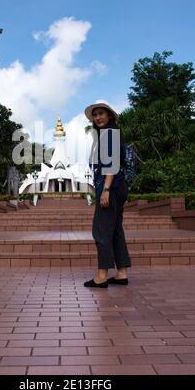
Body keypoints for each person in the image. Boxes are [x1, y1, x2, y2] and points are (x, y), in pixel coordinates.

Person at [83, 102, 132, 288]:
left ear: (109, 115)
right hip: (118, 187)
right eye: (95, 115)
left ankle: (102, 276)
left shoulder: (109, 135)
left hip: (110, 186)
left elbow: (111, 164)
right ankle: (121, 273)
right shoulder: (109, 134)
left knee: (101, 230)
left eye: (101, 113)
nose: (97, 118)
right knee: (116, 230)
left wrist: (106, 190)